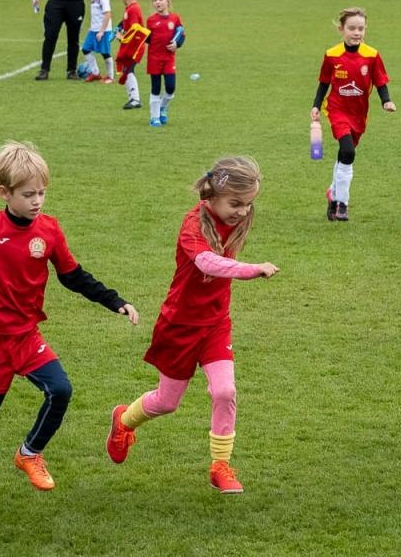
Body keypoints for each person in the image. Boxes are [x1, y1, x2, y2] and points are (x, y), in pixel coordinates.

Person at [0, 141, 139, 524]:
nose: (37, 201)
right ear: (5, 193)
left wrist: (114, 301)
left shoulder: (49, 230)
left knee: (61, 389)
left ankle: (30, 452)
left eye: (42, 193)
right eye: (28, 194)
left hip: (26, 336)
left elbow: (73, 276)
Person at [107, 157, 278, 494]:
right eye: (236, 204)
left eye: (248, 204)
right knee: (167, 402)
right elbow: (207, 263)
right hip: (179, 325)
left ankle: (220, 466)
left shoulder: (236, 217)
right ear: (212, 196)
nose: (243, 212)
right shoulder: (192, 225)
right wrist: (250, 269)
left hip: (215, 324)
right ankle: (123, 420)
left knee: (225, 391)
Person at [310, 7, 395, 222]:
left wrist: (386, 101)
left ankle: (333, 193)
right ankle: (342, 203)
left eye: (361, 28)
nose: (357, 33)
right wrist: (316, 106)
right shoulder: (332, 55)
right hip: (337, 110)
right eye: (352, 28)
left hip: (359, 114)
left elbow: (380, 81)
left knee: (345, 154)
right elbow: (324, 83)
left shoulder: (372, 55)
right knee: (348, 151)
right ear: (341, 29)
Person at [144, 0, 184, 127]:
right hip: (154, 59)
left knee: (171, 87)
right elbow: (147, 39)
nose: (157, 2)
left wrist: (177, 44)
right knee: (155, 87)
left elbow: (181, 34)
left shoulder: (175, 18)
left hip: (169, 59)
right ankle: (154, 117)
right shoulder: (151, 21)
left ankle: (163, 107)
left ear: (168, 1)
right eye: (155, 0)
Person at [115, 0, 149, 111]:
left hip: (135, 47)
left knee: (128, 70)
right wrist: (120, 28)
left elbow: (135, 28)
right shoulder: (130, 9)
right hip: (131, 46)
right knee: (126, 70)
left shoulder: (133, 9)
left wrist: (122, 37)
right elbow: (127, 24)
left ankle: (135, 99)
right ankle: (132, 98)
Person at [77, 0, 114, 82]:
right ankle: (95, 73)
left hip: (103, 31)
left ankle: (110, 76)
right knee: (85, 49)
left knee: (105, 53)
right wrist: (92, 27)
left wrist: (102, 31)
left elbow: (107, 14)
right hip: (94, 30)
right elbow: (96, 14)